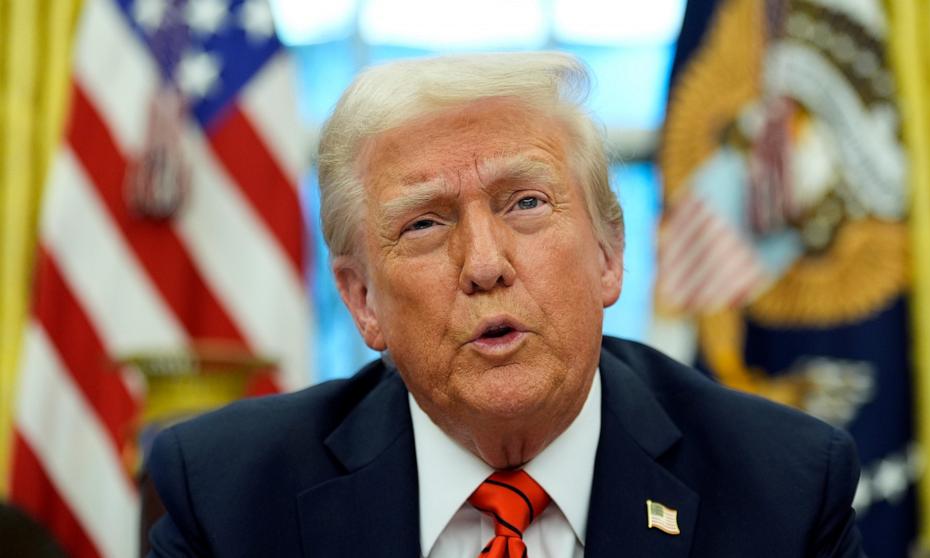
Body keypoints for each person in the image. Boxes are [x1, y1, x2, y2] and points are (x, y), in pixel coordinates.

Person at [147, 52, 864, 557]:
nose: (485, 265)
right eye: (425, 223)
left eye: (525, 203)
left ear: (609, 257)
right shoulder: (230, 497)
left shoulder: (780, 489)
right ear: (362, 299)